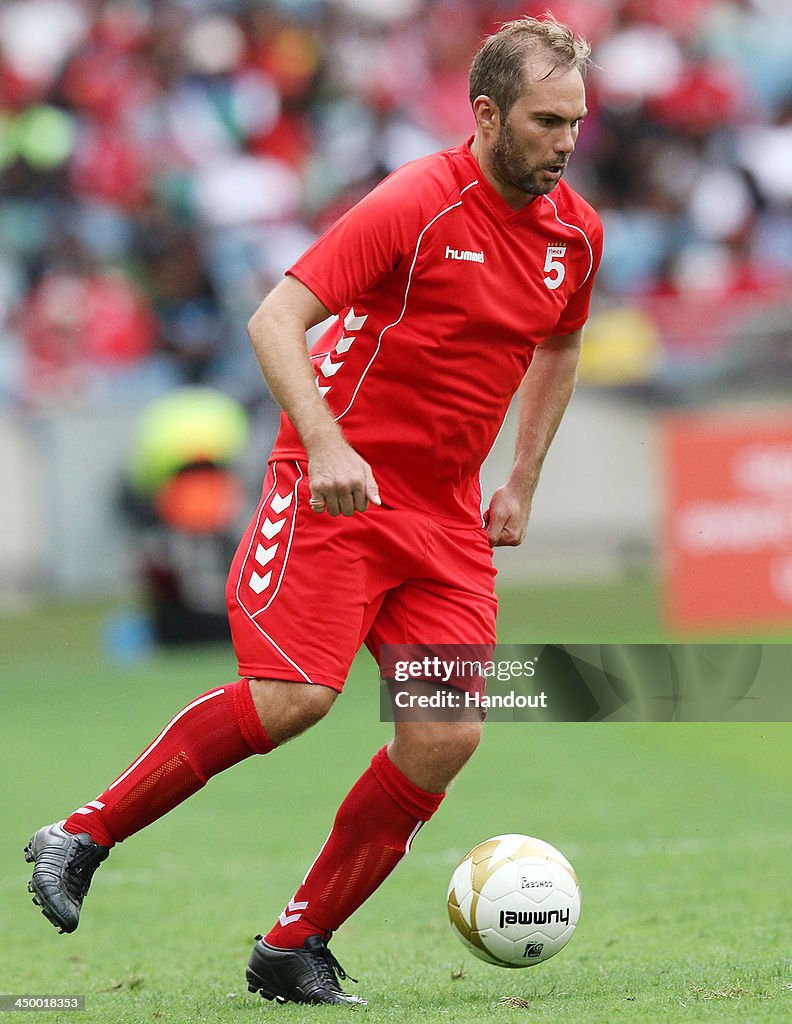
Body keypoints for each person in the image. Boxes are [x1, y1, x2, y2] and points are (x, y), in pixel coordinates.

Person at [25, 15, 600, 1008]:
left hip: (445, 518)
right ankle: (82, 833)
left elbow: (559, 346)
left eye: (577, 123)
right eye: (548, 121)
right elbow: (275, 317)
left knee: (446, 733)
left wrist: (522, 480)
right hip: (337, 488)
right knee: (294, 697)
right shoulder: (417, 202)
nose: (566, 142)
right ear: (487, 113)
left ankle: (293, 945)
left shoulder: (574, 236)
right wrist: (327, 442)